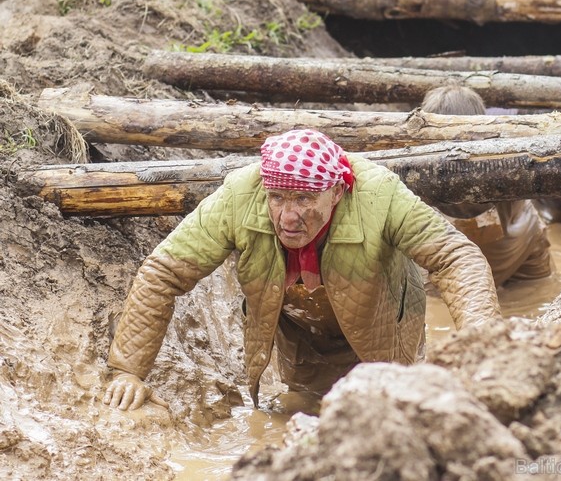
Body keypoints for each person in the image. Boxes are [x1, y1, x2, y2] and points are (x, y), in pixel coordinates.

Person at [103, 129, 501, 411]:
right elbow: (163, 272)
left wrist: (485, 349)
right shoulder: (239, 197)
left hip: (383, 318)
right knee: (307, 407)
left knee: (390, 412)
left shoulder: (380, 194)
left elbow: (455, 257)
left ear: (337, 191)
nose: (287, 217)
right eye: (277, 198)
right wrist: (127, 371)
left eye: (304, 200)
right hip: (299, 326)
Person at [420, 85, 553, 286]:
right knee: (539, 288)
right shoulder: (504, 159)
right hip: (521, 241)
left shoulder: (417, 169)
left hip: (447, 262)